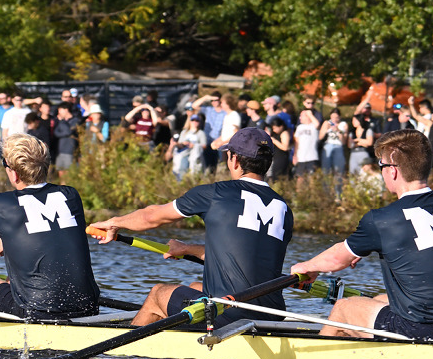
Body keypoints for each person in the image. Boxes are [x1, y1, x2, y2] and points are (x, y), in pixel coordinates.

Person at [90, 127, 294, 327]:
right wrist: (187, 249)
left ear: (235, 160)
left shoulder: (216, 193)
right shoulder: (285, 210)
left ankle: (125, 357)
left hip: (228, 313)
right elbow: (245, 255)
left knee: (158, 294)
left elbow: (152, 216)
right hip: (271, 314)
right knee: (194, 287)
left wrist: (114, 223)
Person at [288, 129, 433, 339]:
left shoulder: (382, 219)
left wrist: (307, 267)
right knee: (380, 299)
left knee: (343, 307)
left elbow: (336, 259)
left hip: (417, 328)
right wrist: (375, 244)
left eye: (382, 166)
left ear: (393, 170)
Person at [0, 135, 101, 320]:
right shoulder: (71, 195)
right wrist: (9, 240)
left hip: (36, 312)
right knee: (15, 281)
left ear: (14, 173)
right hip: (88, 308)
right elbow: (49, 233)